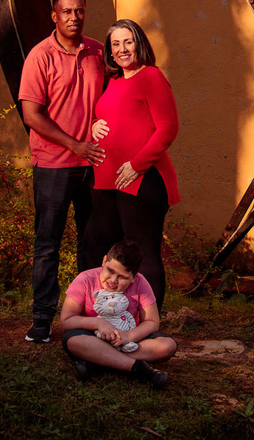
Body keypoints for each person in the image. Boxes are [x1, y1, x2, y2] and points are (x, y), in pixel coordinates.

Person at [18, 0, 107, 343]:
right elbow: (31, 115)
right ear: (54, 16)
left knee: (92, 242)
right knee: (48, 244)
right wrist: (75, 145)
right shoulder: (40, 56)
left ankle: (91, 315)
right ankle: (42, 319)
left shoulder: (99, 51)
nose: (74, 17)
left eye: (79, 11)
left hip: (94, 164)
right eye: (67, 12)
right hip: (54, 165)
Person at [83, 18, 180, 310]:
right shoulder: (112, 81)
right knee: (96, 246)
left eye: (128, 42)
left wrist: (137, 165)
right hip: (107, 181)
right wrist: (93, 126)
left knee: (142, 251)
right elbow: (111, 117)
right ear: (109, 52)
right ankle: (104, 311)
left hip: (142, 179)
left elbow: (168, 128)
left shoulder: (151, 76)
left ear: (139, 44)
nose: (122, 49)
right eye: (115, 44)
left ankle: (149, 322)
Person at [61, 239, 177, 385]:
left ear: (134, 277)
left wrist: (128, 337)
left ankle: (98, 362)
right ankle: (138, 368)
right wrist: (97, 323)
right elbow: (66, 320)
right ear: (104, 261)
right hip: (93, 337)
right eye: (110, 270)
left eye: (122, 277)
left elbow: (152, 322)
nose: (113, 280)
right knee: (73, 341)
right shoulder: (85, 279)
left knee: (167, 345)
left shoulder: (141, 283)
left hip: (127, 338)